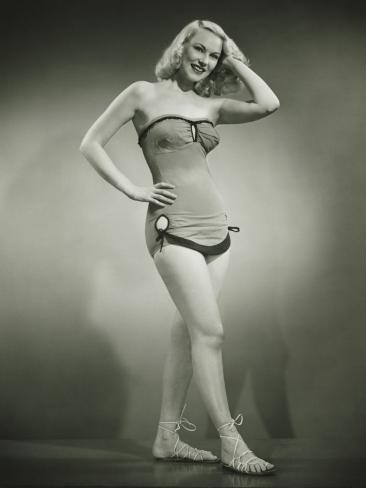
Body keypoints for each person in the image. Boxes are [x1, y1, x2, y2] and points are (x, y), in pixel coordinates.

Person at [79, 19, 280, 476]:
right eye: (201, 48)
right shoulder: (142, 94)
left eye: (214, 55)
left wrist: (232, 58)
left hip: (219, 231)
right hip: (174, 229)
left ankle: (167, 438)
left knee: (188, 334)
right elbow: (90, 143)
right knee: (210, 333)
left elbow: (269, 103)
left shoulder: (211, 106)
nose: (205, 59)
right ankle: (231, 442)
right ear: (181, 46)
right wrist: (132, 189)